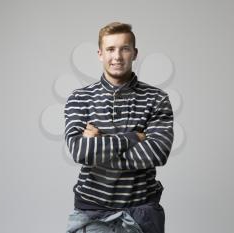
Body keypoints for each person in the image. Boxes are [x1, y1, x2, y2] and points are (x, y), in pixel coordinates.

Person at [64, 22, 174, 233]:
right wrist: (134, 138)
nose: (117, 56)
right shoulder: (79, 98)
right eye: (110, 49)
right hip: (91, 211)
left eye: (124, 48)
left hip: (142, 212)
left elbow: (157, 153)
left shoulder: (156, 98)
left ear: (134, 53)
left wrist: (99, 146)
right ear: (99, 54)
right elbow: (80, 152)